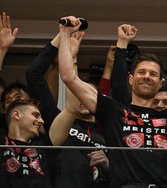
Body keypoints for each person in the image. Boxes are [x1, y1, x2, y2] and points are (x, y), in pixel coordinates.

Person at [58, 17, 167, 187]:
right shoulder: (113, 110)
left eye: (153, 74)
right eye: (142, 72)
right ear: (131, 79)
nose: (147, 76)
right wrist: (64, 34)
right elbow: (69, 77)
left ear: (160, 83)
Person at [25, 29, 110, 188]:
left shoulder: (110, 130)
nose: (82, 99)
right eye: (78, 95)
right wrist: (64, 44)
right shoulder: (58, 120)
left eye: (87, 96)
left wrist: (109, 166)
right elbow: (33, 75)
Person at [0, 99, 56, 188]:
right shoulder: (2, 139)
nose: (42, 121)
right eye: (36, 115)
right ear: (16, 115)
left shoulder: (43, 143)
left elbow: (70, 110)